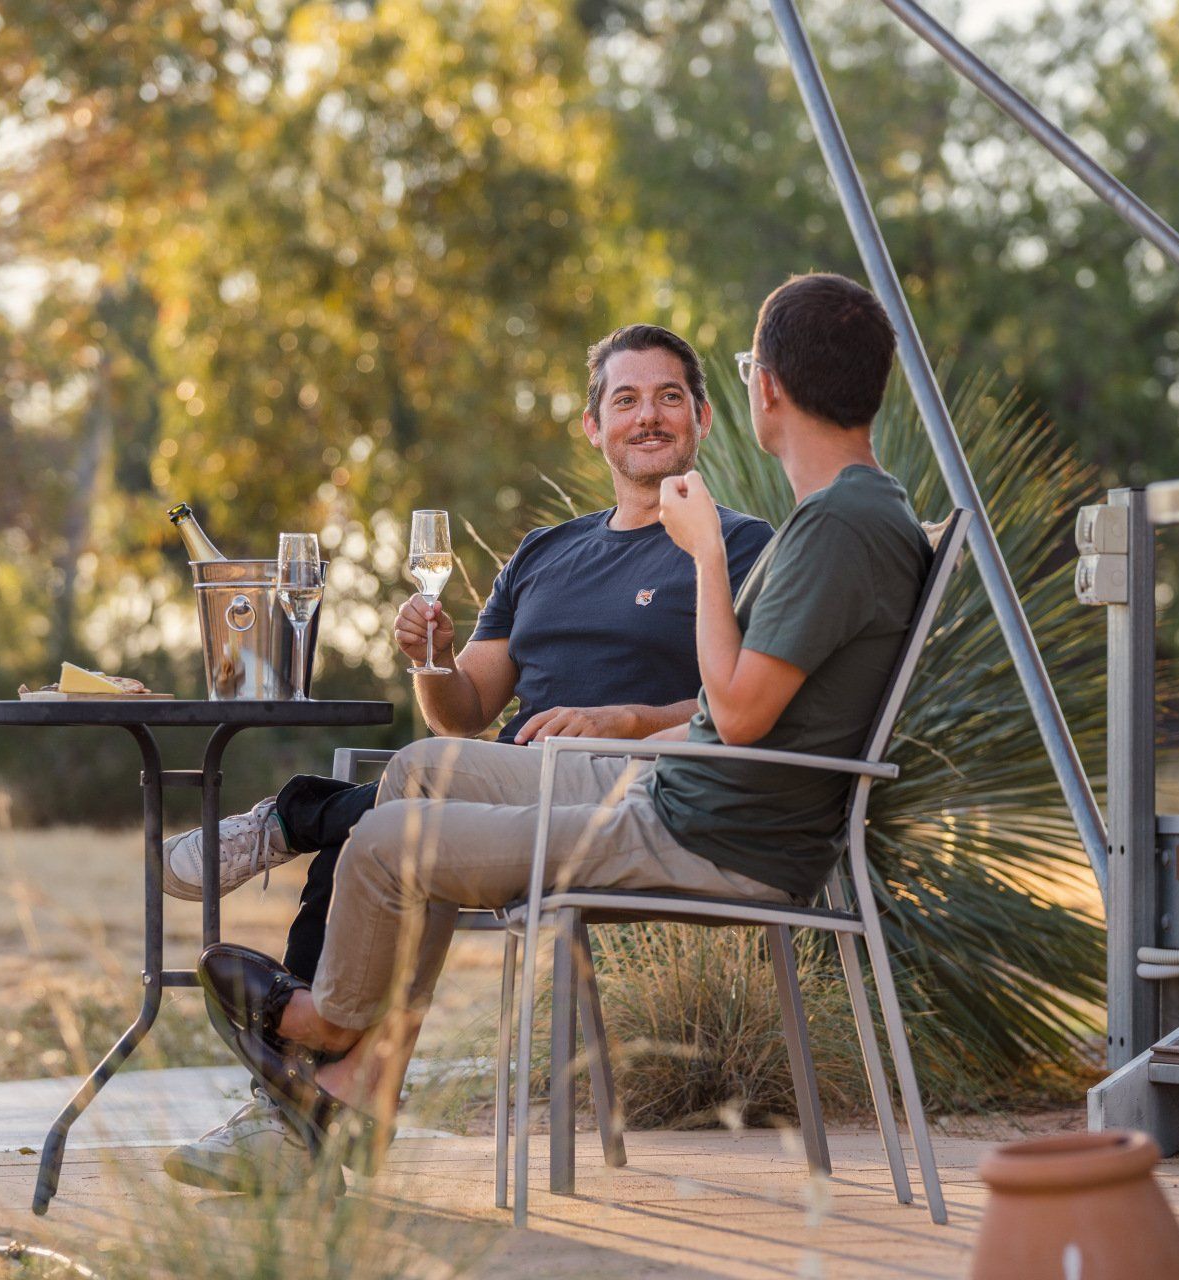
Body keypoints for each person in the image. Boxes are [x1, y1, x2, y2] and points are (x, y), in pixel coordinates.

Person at [197, 272, 934, 1192]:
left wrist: (705, 556)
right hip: (678, 790)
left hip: (704, 827)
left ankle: (319, 1031)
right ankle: (355, 1088)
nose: (649, 415)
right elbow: (734, 716)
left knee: (386, 846)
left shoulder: (830, 527)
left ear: (765, 389)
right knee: (421, 769)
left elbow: (742, 715)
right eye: (624, 400)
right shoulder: (849, 514)